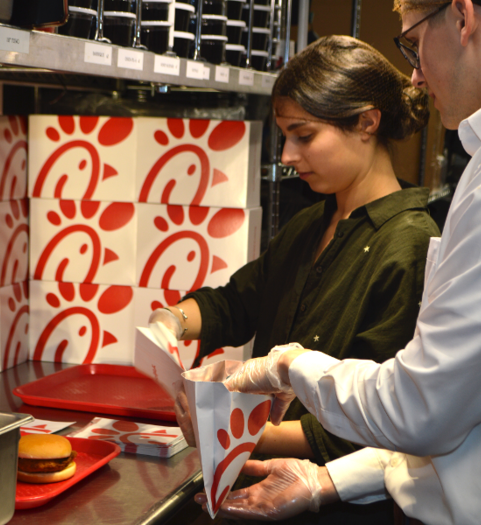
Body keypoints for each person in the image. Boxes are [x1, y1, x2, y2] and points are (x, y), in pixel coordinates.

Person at [203, 1, 481, 524]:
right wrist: (329, 478)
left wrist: (290, 366)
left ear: (462, 16)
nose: (413, 73)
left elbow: (422, 407)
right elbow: (478, 408)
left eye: (411, 42)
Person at [149, 35, 439, 523]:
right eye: (285, 136)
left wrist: (237, 429)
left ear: (367, 122)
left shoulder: (408, 244)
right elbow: (238, 304)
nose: (287, 154)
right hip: (259, 483)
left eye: (303, 136)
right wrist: (170, 322)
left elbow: (377, 419)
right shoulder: (310, 223)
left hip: (334, 503)